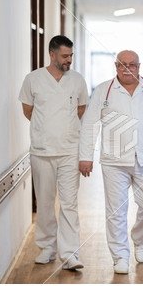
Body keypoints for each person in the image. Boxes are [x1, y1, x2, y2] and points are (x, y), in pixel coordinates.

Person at [79, 50, 143, 274]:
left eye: (132, 64)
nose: (127, 68)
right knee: (116, 211)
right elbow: (90, 123)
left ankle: (139, 239)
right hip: (114, 160)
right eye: (123, 64)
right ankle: (120, 256)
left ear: (139, 67)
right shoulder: (104, 90)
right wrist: (85, 156)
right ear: (115, 65)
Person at [18, 35, 89, 270]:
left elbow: (80, 109)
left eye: (71, 55)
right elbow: (28, 110)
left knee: (69, 203)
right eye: (64, 56)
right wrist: (46, 129)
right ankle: (47, 247)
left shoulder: (77, 80)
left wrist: (63, 130)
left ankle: (70, 254)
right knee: (46, 202)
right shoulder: (33, 79)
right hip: (41, 151)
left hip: (70, 150)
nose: (69, 60)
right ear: (52, 54)